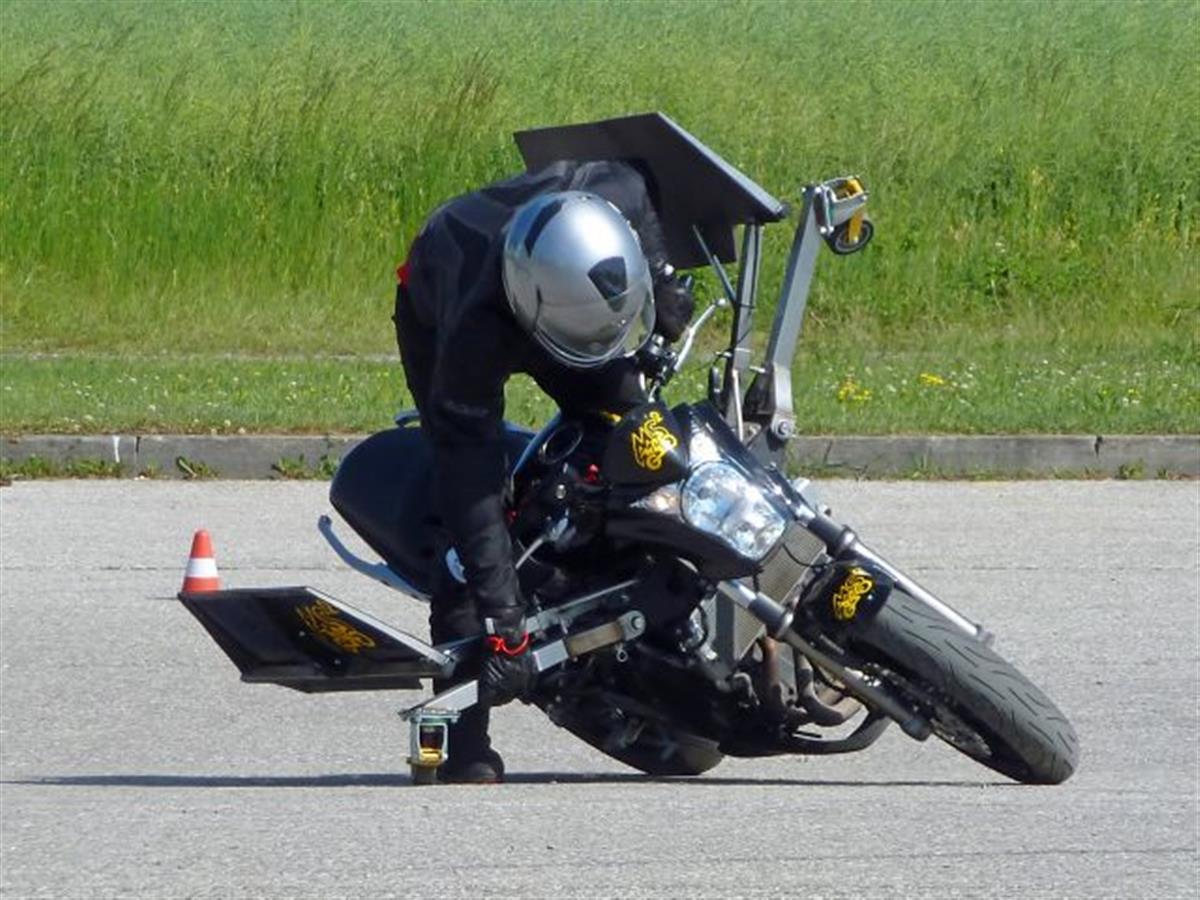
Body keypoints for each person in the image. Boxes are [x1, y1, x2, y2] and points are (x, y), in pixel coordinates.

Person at [393, 159, 694, 783]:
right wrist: (503, 625)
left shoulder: (611, 194)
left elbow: (640, 188)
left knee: (636, 426)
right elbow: (471, 491)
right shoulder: (472, 337)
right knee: (469, 527)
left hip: (569, 294)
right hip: (444, 300)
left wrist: (663, 280)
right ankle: (462, 738)